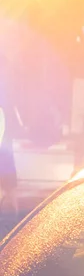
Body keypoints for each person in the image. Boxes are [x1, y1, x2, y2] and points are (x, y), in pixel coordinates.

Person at [0, 54, 19, 219]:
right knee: (7, 165)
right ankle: (14, 209)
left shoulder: (4, 86)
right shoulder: (7, 85)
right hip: (5, 138)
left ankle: (14, 207)